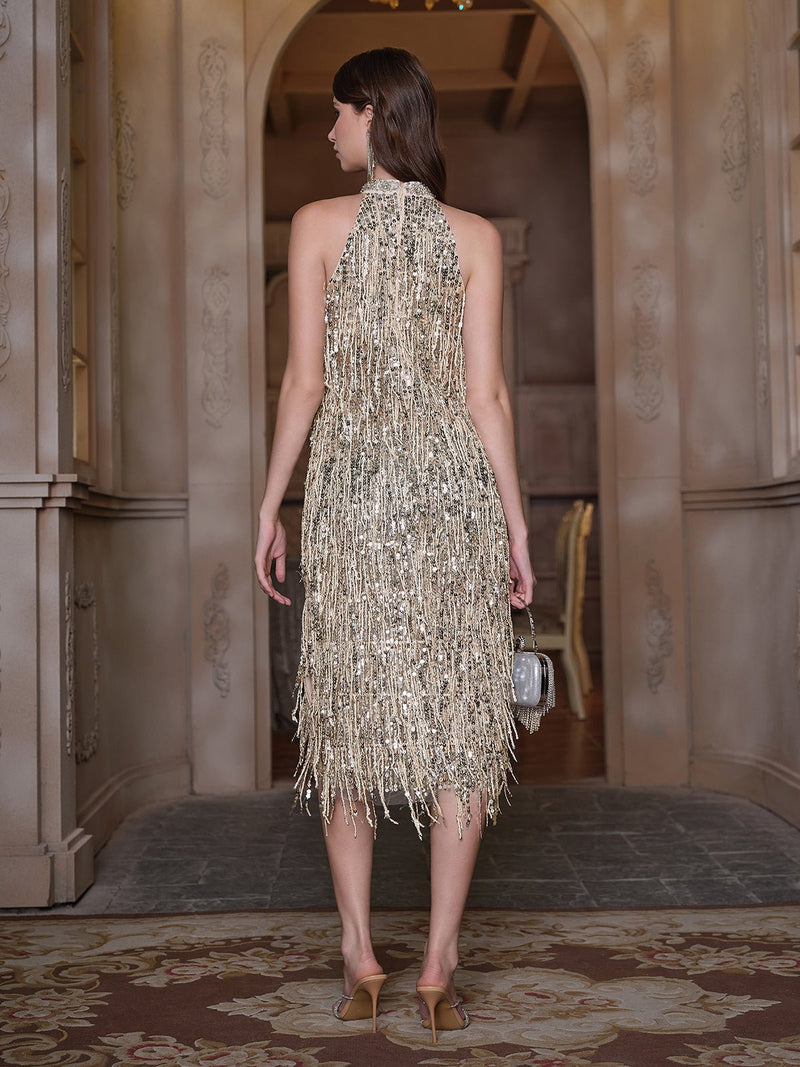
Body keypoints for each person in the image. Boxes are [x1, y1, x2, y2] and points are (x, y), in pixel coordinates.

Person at [254, 47, 535, 1043]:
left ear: (371, 114)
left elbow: (301, 384)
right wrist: (512, 523)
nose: (328, 132)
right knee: (460, 727)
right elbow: (486, 396)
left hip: (354, 501)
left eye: (336, 115)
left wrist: (268, 505)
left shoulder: (317, 228)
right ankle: (436, 965)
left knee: (346, 727)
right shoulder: (475, 237)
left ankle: (359, 953)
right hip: (451, 503)